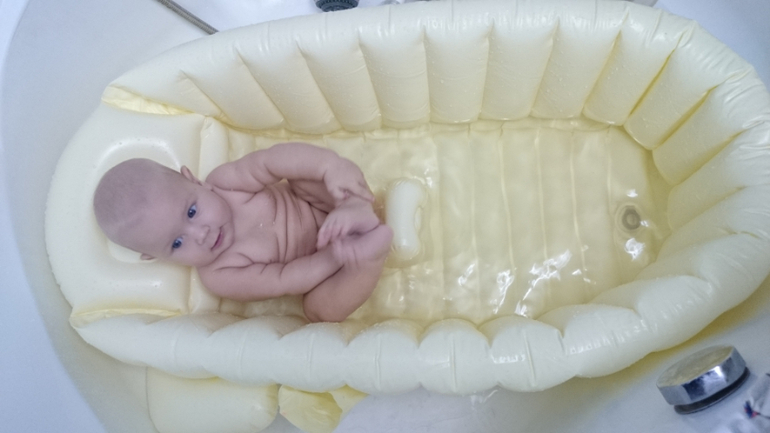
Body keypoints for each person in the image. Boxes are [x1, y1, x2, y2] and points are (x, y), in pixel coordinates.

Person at [93, 142, 392, 322]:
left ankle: (353, 204)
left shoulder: (226, 182)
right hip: (329, 264)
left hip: (322, 202)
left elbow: (270, 161)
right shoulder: (220, 276)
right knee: (318, 312)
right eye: (177, 242)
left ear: (195, 181)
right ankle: (368, 259)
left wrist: (330, 167)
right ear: (155, 257)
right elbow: (285, 279)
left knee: (301, 175)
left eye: (192, 212)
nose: (201, 235)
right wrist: (336, 256)